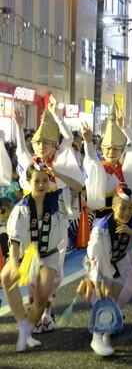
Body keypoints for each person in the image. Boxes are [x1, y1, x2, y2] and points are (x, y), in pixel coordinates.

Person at [13, 96, 85, 333]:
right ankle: (36, 309)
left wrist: (55, 115)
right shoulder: (29, 164)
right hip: (32, 223)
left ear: (55, 146)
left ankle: (47, 312)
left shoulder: (61, 164)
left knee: (54, 272)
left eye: (46, 143)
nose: (41, 146)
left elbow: (69, 140)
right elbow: (21, 150)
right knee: (32, 269)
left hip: (56, 224)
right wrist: (19, 125)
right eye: (38, 143)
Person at [1, 162, 82, 352]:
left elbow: (78, 187)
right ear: (28, 182)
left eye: (45, 180)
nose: (41, 185)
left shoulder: (58, 198)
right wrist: (13, 263)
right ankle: (23, 325)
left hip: (50, 255)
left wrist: (58, 173)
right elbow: (14, 239)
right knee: (6, 277)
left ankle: (26, 331)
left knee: (42, 298)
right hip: (29, 255)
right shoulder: (22, 208)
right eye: (36, 181)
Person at [86, 184, 132, 356]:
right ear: (113, 207)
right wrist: (97, 281)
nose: (127, 212)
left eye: (130, 208)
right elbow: (95, 257)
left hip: (121, 261)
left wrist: (131, 231)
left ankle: (107, 337)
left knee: (113, 301)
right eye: (123, 208)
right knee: (103, 300)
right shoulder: (100, 228)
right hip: (101, 263)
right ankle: (96, 336)